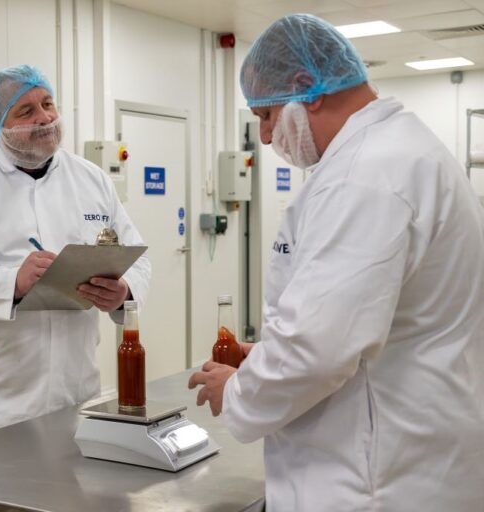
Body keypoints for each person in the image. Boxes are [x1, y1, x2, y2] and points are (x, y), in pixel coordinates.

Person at [188, 13, 484, 511]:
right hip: (418, 454)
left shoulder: (365, 176)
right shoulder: (405, 152)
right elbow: (365, 323)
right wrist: (265, 354)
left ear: (309, 88)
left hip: (375, 477)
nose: (263, 138)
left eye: (266, 115)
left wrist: (237, 392)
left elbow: (318, 349)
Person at [0, 65, 151, 449]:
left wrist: (124, 292)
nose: (44, 118)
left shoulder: (91, 179)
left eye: (48, 104)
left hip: (71, 397)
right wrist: (12, 283)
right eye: (25, 111)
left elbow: (138, 258)